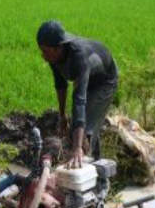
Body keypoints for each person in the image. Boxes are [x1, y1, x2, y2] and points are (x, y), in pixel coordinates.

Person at [37, 20, 119, 169]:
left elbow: (79, 101)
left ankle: (86, 166)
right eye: (41, 50)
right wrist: (62, 115)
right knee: (78, 125)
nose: (43, 56)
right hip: (88, 79)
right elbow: (61, 85)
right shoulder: (53, 56)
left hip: (104, 81)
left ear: (58, 48)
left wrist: (77, 147)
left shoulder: (79, 57)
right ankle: (94, 161)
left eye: (45, 51)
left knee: (85, 127)